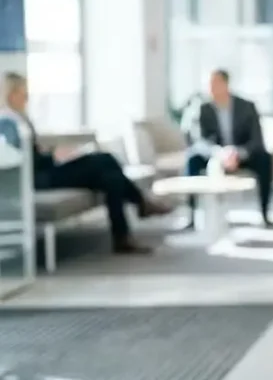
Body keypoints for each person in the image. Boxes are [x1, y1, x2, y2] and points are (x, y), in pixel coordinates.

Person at [2, 72, 171, 254]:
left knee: (110, 177)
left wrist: (50, 154)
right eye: (23, 92)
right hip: (39, 179)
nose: (27, 97)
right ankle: (139, 205)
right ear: (11, 94)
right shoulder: (8, 122)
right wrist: (53, 157)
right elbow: (21, 163)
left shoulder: (19, 118)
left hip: (46, 170)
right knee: (104, 160)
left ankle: (124, 235)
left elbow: (30, 154)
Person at [185, 69, 273, 227]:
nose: (211, 88)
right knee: (192, 159)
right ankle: (191, 217)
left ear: (226, 84)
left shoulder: (247, 107)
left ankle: (265, 213)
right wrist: (219, 153)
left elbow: (256, 140)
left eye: (215, 84)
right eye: (209, 84)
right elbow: (199, 140)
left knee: (265, 158)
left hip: (241, 155)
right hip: (215, 155)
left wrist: (237, 153)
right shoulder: (203, 109)